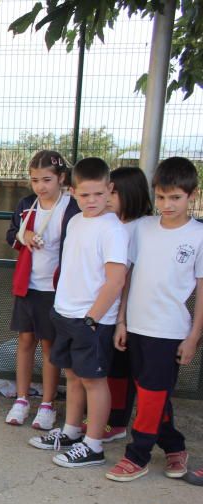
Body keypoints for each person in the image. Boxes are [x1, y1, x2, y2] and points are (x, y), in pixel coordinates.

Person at [106, 157, 202, 482]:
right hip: (135, 326)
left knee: (150, 393)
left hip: (170, 329)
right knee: (152, 393)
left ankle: (138, 456)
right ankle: (174, 446)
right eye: (161, 197)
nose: (167, 204)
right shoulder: (142, 228)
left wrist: (193, 338)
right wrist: (121, 320)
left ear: (192, 195)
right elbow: (127, 278)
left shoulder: (199, 236)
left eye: (175, 197)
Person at [28, 158, 127, 468]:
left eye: (99, 194)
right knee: (72, 376)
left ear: (110, 189)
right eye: (85, 195)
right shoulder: (75, 222)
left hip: (91, 320)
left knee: (95, 381)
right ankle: (71, 431)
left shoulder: (114, 229)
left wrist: (92, 318)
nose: (93, 201)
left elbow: (116, 280)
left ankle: (94, 444)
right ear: (73, 192)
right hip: (65, 313)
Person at [3, 150, 81, 430]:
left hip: (57, 289)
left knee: (49, 345)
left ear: (61, 178)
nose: (41, 186)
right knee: (25, 341)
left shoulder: (72, 207)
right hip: (28, 285)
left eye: (47, 179)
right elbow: (12, 234)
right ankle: (22, 399)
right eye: (35, 180)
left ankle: (47, 403)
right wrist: (23, 236)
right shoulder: (27, 204)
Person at [95, 167, 154, 443]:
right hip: (108, 310)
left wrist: (123, 317)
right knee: (110, 366)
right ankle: (107, 418)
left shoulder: (141, 228)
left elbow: (127, 276)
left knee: (127, 369)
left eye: (114, 191)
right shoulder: (109, 222)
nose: (107, 196)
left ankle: (118, 421)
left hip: (132, 312)